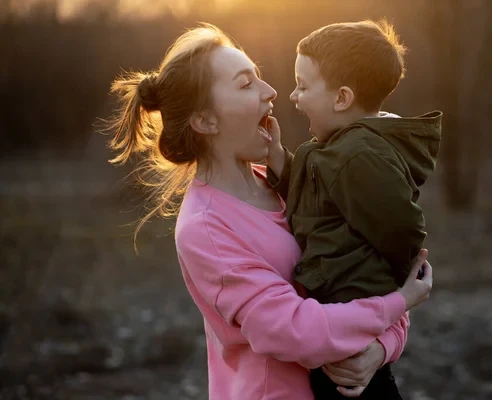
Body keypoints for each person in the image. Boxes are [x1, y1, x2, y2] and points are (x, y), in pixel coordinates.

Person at [104, 23, 433, 400]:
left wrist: (381, 349)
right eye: (246, 84)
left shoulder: (288, 183)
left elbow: (369, 274)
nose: (272, 91)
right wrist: (400, 303)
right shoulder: (206, 227)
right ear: (206, 120)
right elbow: (296, 330)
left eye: (259, 77)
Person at [265, 20, 443, 399]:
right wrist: (280, 162)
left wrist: (386, 283)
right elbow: (323, 200)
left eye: (303, 85)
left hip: (350, 312)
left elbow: (403, 230)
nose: (294, 96)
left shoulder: (359, 155)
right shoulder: (341, 149)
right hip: (344, 315)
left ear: (342, 98)